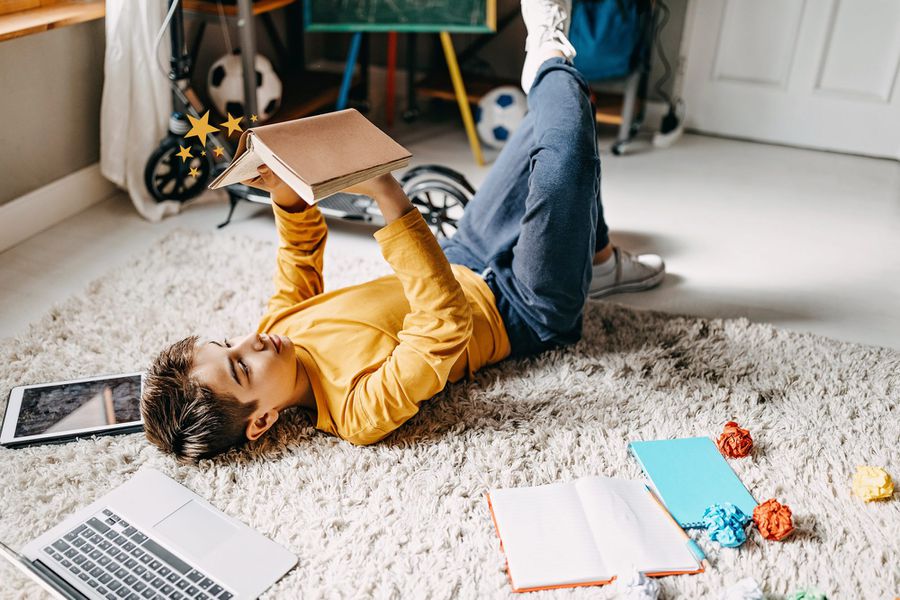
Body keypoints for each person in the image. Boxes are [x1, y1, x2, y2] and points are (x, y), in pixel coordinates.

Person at [140, 0, 665, 464]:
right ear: (262, 422)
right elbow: (445, 326)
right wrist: (389, 196)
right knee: (563, 151)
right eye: (242, 368)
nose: (252, 340)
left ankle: (596, 259)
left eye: (230, 342)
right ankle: (550, 52)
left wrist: (281, 189)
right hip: (525, 310)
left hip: (462, 254)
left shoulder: (277, 330)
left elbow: (300, 253)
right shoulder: (357, 413)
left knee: (552, 132)